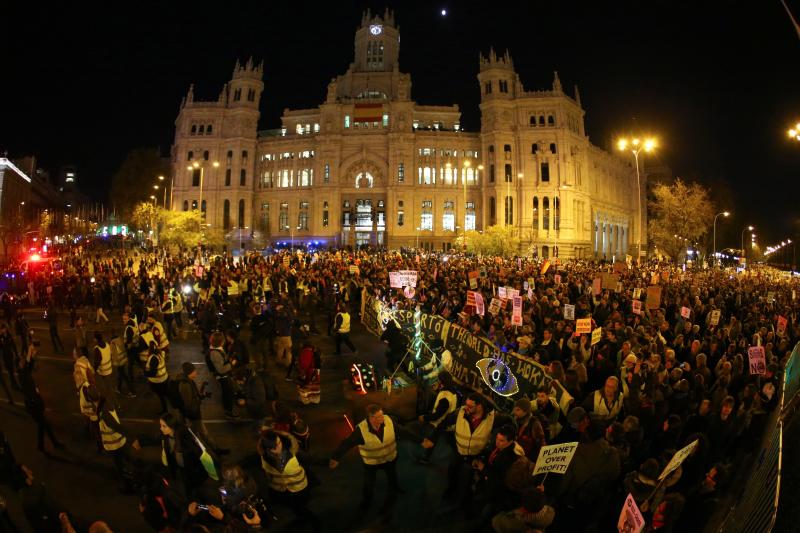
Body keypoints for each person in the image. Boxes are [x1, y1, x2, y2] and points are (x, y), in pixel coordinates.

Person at [424, 393, 501, 507]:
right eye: (466, 404)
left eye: (470, 406)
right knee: (452, 474)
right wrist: (432, 439)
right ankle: (449, 494)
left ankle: (462, 503)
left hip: (474, 457)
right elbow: (443, 423)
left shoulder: (492, 418)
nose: (466, 408)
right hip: (458, 453)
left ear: (479, 406)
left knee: (467, 481)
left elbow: (508, 421)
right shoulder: (460, 413)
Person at [330, 404, 401, 515]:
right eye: (379, 416)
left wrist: (421, 440)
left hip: (389, 459)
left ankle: (395, 489)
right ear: (371, 418)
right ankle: (366, 502)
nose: (383, 417)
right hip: (372, 464)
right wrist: (336, 457)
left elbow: (402, 432)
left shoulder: (388, 421)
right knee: (369, 484)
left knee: (392, 476)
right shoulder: (361, 431)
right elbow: (346, 444)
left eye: (382, 414)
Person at [258, 429, 320, 531]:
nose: (279, 447)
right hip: (283, 490)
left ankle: (314, 523)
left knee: (302, 508)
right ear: (269, 449)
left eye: (279, 443)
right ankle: (302, 517)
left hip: (300, 489)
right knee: (296, 508)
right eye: (275, 447)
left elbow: (310, 459)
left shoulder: (293, 453)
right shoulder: (264, 457)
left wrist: (330, 461)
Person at [158, 413, 211, 498]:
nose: (161, 428)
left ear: (172, 426)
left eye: (164, 426)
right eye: (161, 425)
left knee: (192, 487)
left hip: (191, 469)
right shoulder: (165, 436)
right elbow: (155, 439)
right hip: (181, 468)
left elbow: (196, 453)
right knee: (186, 486)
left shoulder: (185, 438)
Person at [19, 358, 64, 455]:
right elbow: (28, 392)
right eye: (21, 362)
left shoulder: (24, 373)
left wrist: (31, 356)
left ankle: (44, 445)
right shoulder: (22, 376)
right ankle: (49, 444)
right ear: (19, 365)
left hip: (36, 403)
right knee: (43, 424)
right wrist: (36, 395)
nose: (23, 363)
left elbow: (29, 367)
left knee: (43, 425)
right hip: (34, 406)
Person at [96, 396, 141, 493]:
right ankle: (138, 476)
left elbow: (118, 427)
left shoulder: (104, 414)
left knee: (120, 467)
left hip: (114, 446)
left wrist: (133, 438)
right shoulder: (108, 409)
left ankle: (128, 487)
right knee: (129, 460)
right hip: (120, 442)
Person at [416, 371, 458, 464]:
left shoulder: (445, 397)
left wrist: (425, 417)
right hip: (447, 422)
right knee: (448, 439)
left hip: (441, 422)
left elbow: (438, 414)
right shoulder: (452, 390)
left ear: (441, 381)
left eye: (438, 380)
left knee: (433, 439)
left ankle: (425, 457)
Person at [208, 331, 239, 418]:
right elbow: (221, 369)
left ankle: (228, 407)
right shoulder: (215, 353)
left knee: (227, 392)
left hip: (224, 375)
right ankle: (228, 411)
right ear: (220, 341)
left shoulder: (218, 349)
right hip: (223, 376)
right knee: (228, 393)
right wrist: (232, 363)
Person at [144, 343, 170, 415]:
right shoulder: (160, 354)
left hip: (158, 381)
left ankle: (165, 410)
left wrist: (145, 373)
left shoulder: (153, 358)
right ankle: (167, 408)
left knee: (161, 396)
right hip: (164, 378)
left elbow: (153, 373)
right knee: (164, 394)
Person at [109, 330, 135, 397]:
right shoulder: (120, 339)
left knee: (124, 376)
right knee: (120, 375)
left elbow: (114, 355)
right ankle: (119, 388)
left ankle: (132, 391)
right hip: (123, 360)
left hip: (119, 362)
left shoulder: (112, 343)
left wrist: (113, 362)